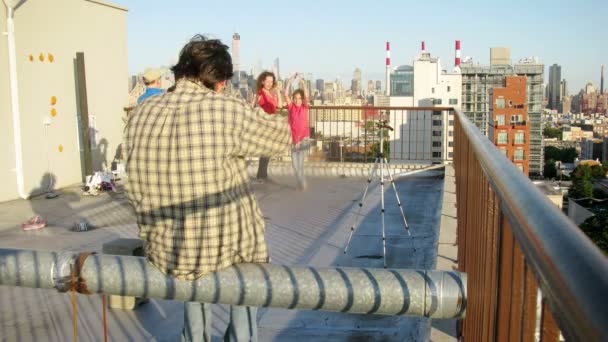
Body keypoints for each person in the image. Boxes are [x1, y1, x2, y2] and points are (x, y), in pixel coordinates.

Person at [124, 35, 292, 342]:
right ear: (219, 81)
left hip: (168, 249)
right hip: (225, 247)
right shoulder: (226, 108)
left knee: (192, 250)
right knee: (246, 256)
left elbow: (132, 187)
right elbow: (282, 138)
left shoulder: (141, 114)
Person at [252, 71, 282, 182]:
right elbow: (256, 106)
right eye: (267, 81)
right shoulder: (261, 93)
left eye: (271, 81)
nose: (269, 83)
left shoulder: (271, 93)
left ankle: (263, 174)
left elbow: (279, 105)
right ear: (263, 81)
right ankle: (261, 176)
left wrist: (278, 91)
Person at [284, 73, 311, 190]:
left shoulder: (305, 107)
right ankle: (301, 182)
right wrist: (289, 81)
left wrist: (302, 82)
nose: (297, 100)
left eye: (299, 98)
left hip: (304, 139)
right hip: (293, 140)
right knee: (295, 165)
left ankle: (302, 183)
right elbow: (285, 94)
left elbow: (307, 95)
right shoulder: (291, 107)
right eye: (295, 98)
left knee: (300, 164)